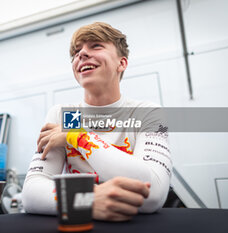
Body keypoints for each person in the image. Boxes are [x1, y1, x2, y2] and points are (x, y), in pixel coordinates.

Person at [22, 22, 172, 222]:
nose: (81, 54)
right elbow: (31, 192)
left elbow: (152, 195)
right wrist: (88, 201)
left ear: (122, 63)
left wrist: (77, 135)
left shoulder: (147, 112)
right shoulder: (63, 114)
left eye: (96, 46)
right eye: (76, 51)